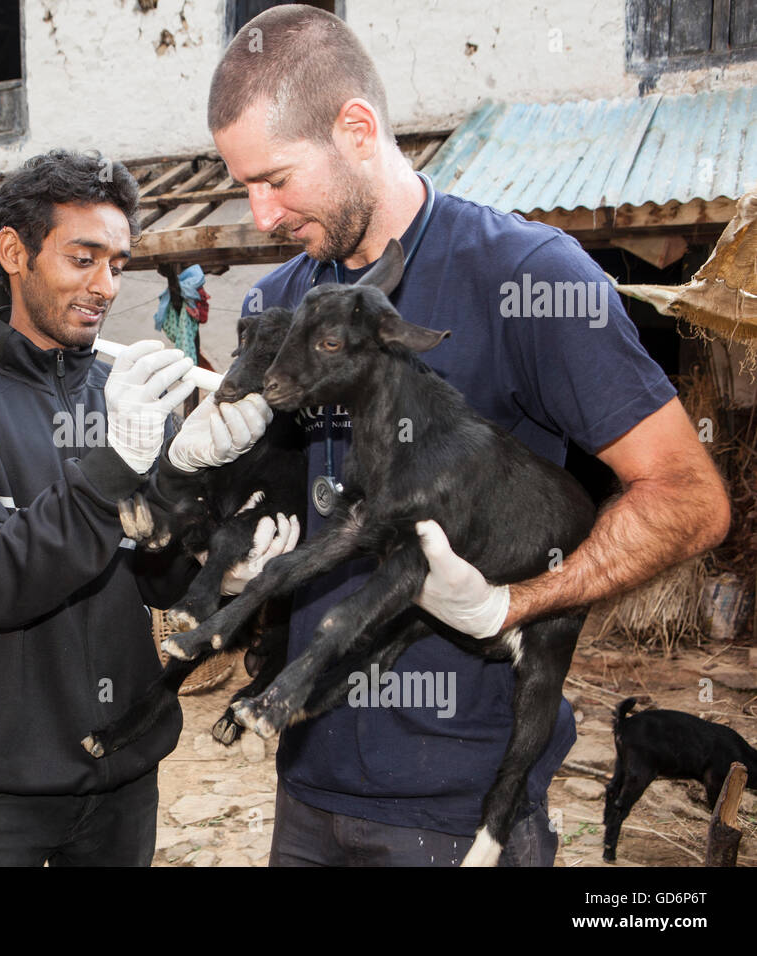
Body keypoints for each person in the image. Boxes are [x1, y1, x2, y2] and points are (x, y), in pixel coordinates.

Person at [202, 6, 730, 866]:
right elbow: (276, 516)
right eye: (244, 186)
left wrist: (509, 608)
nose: (261, 215)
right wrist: (209, 518)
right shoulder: (275, 308)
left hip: (461, 814)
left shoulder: (529, 276)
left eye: (277, 179)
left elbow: (689, 499)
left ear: (357, 129)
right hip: (305, 789)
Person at [0, 149, 287, 866]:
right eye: (83, 258)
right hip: (0, 792)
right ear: (14, 251)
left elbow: (155, 577)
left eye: (118, 263)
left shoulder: (132, 393)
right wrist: (114, 465)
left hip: (124, 777)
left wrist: (217, 566)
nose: (105, 285)